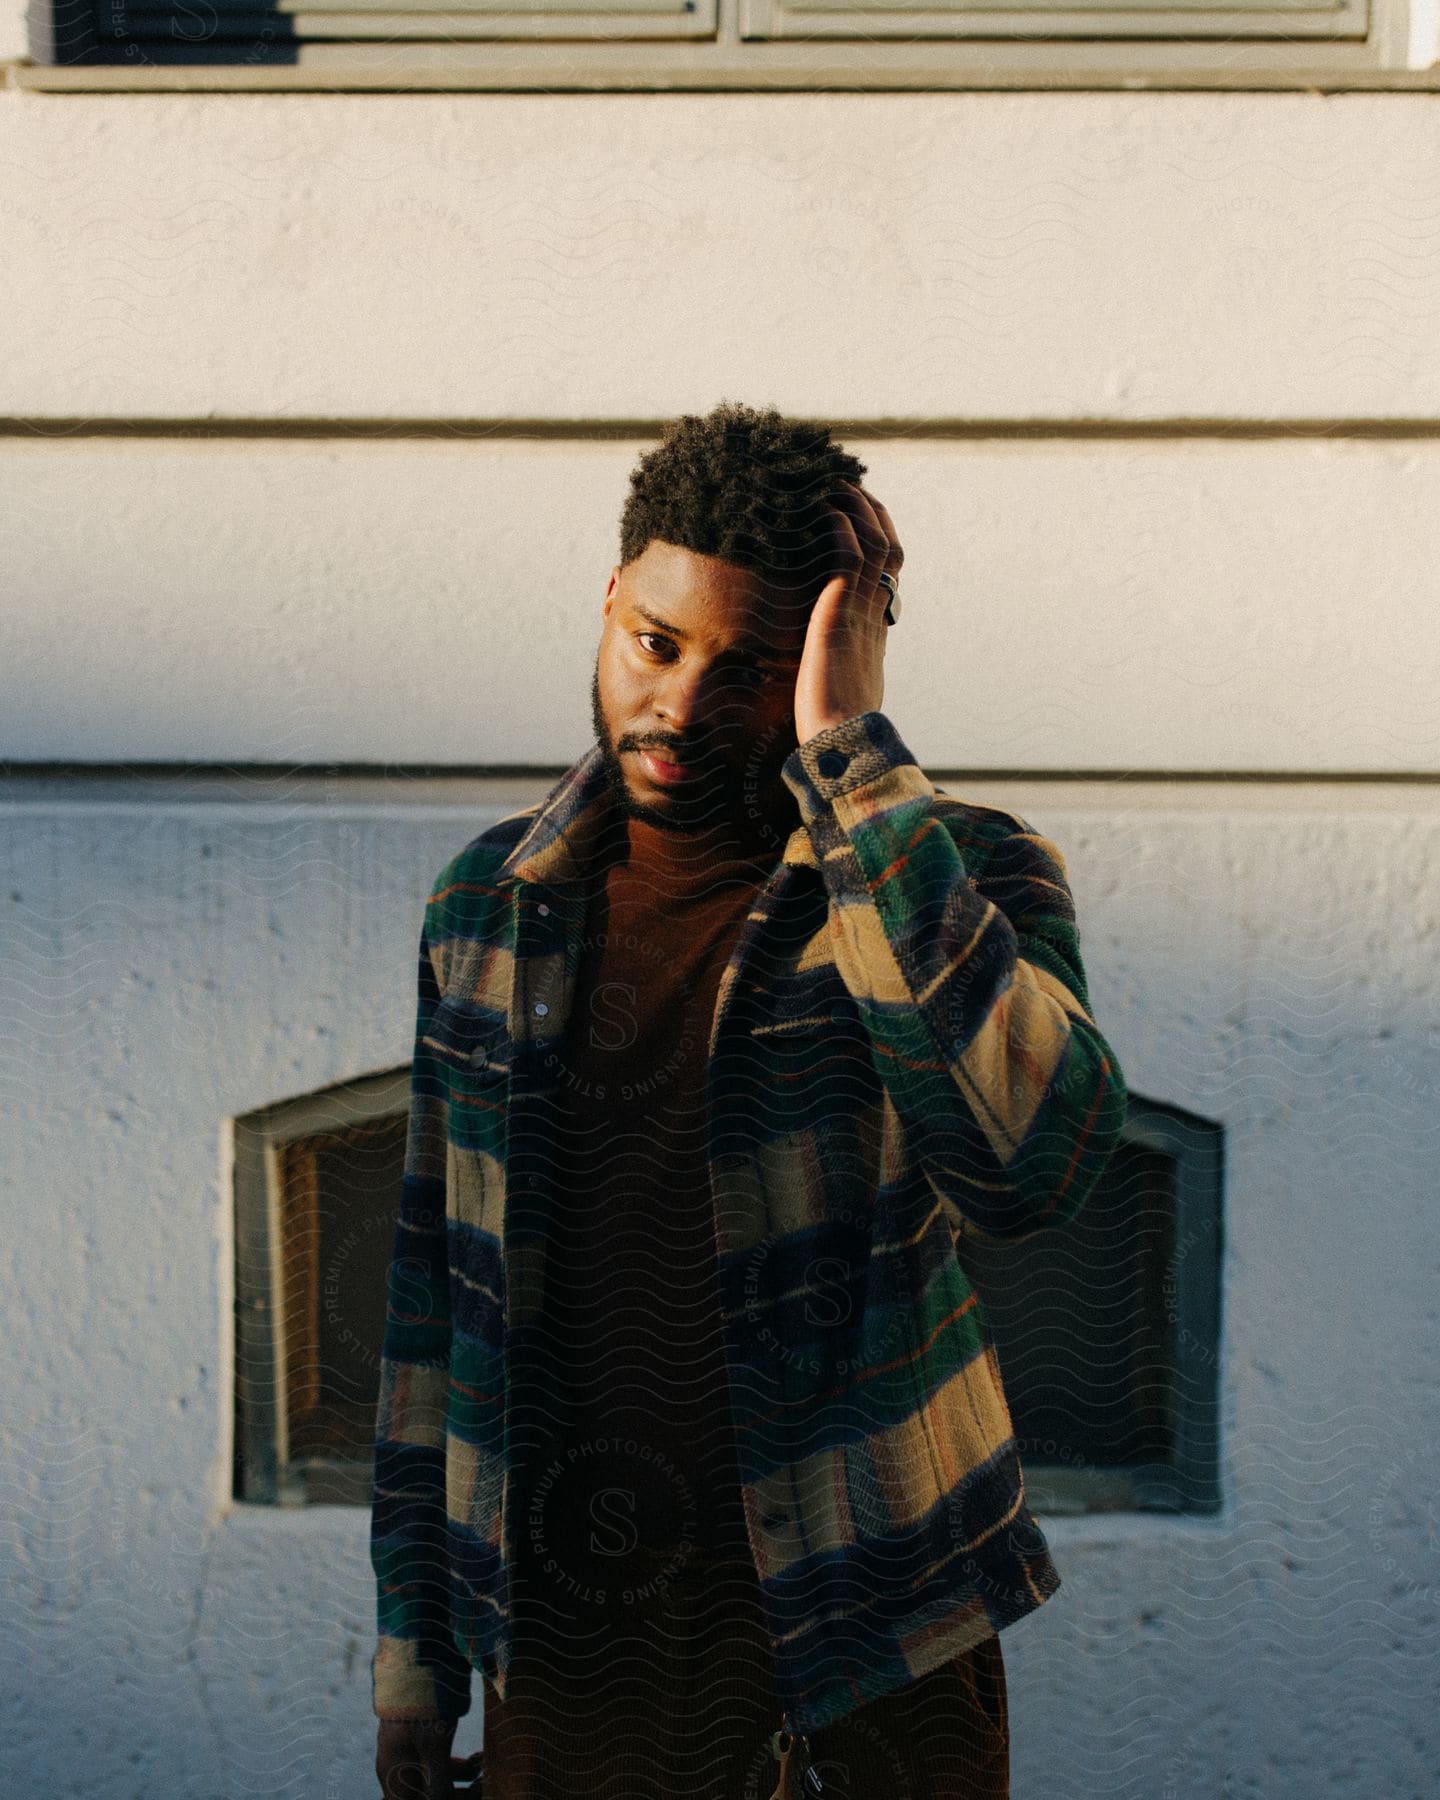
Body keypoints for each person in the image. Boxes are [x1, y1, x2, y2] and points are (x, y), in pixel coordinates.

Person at [370, 400, 1129, 1800]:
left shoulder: (954, 874)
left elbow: (1037, 1172)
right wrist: (415, 1641)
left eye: (751, 667)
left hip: (866, 1640)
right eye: (655, 642)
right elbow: (438, 1288)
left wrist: (851, 754)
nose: (681, 702)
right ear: (610, 599)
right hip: (567, 1645)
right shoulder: (492, 902)